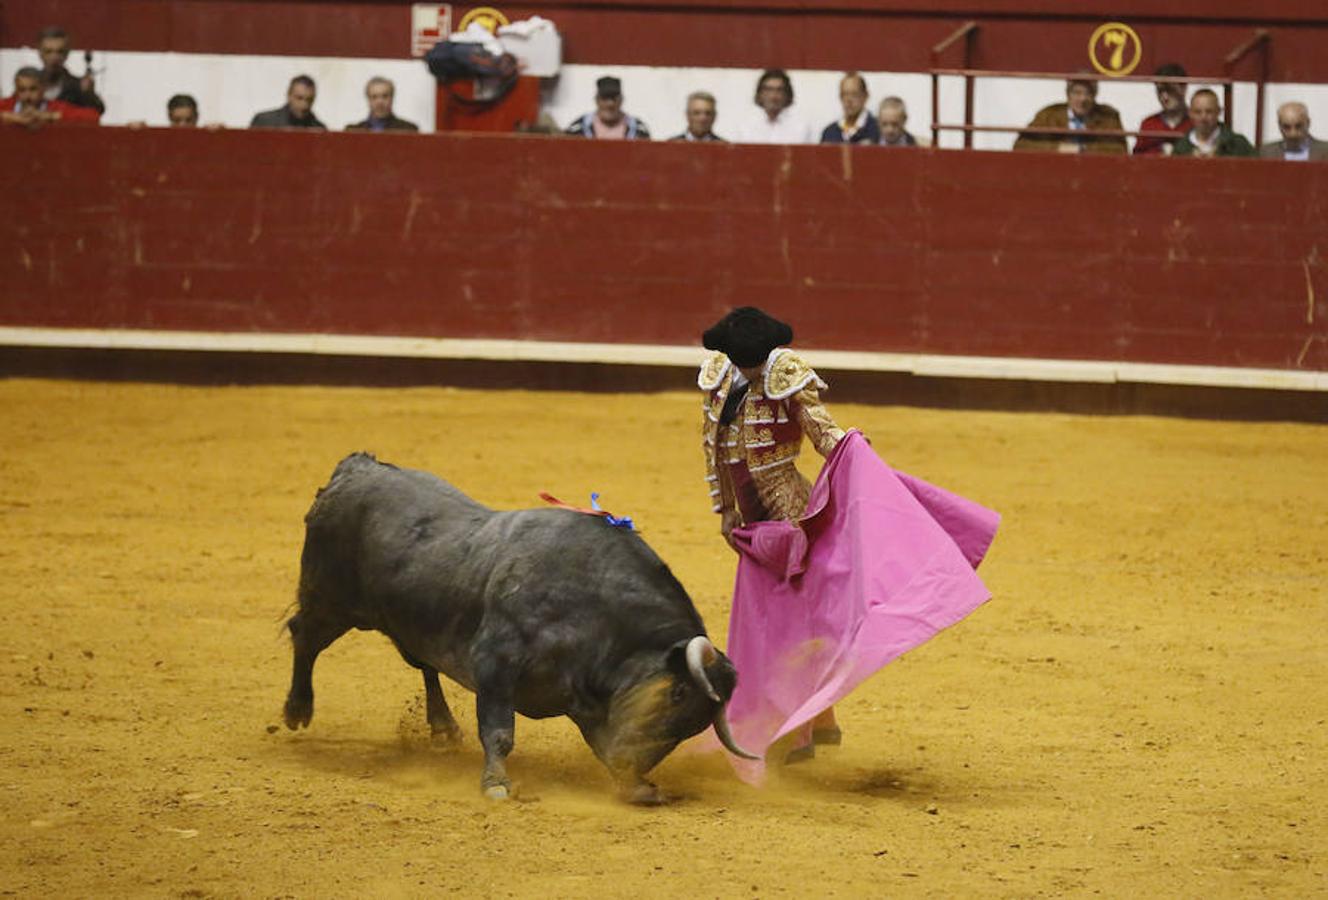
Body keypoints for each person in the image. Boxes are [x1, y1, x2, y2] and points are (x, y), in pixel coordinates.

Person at [697, 307, 999, 780]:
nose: (754, 371)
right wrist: (728, 512)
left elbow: (821, 429)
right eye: (747, 363)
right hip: (749, 520)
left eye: (758, 363)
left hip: (788, 509)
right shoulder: (720, 376)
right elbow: (715, 449)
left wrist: (850, 451)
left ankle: (795, 731)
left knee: (795, 622)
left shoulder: (787, 376)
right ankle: (819, 724)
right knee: (767, 621)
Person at [1013, 77, 1126, 154]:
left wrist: (1083, 149)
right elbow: (1021, 145)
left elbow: (1121, 150)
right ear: (1068, 94)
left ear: (1095, 95)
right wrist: (1059, 148)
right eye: (1077, 93)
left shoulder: (1108, 116)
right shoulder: (1049, 114)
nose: (1082, 99)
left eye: (1088, 93)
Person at [1, 66, 100, 129]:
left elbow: (93, 116)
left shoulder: (55, 107)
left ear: (43, 89)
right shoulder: (7, 105)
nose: (27, 96)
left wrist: (50, 116)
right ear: (16, 90)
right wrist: (11, 117)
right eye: (22, 90)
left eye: (33, 89)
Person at [733, 68, 815, 144]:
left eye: (779, 90)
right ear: (760, 94)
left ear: (787, 94)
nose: (773, 96)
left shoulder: (801, 127)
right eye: (768, 90)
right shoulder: (745, 127)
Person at [35, 25, 104, 115]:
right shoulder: (31, 83)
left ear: (67, 54)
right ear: (40, 53)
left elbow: (97, 112)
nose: (54, 57)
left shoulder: (78, 86)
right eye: (48, 51)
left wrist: (89, 95)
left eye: (60, 52)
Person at [1172, 90, 1254, 158]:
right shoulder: (1181, 148)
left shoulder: (1238, 144)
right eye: (1198, 112)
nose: (1203, 117)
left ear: (1219, 111)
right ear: (1190, 113)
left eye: (1209, 111)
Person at [564, 76, 651, 140]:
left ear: (621, 100)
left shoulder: (638, 129)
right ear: (597, 100)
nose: (610, 104)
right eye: (605, 98)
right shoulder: (577, 129)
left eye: (614, 98)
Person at [1133, 63, 1191, 156]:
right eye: (1160, 91)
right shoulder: (1148, 124)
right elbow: (1136, 159)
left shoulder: (1197, 122)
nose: (1165, 97)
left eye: (1170, 90)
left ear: (1183, 88)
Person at [820, 72, 879, 144]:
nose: (849, 100)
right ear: (840, 97)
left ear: (865, 96)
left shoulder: (877, 129)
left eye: (854, 94)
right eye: (845, 94)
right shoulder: (829, 132)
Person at [250, 75, 326, 129]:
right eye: (299, 98)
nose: (304, 105)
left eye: (309, 100)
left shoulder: (319, 129)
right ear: (289, 95)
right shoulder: (265, 122)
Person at [1259, 102, 1328, 162]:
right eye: (1286, 127)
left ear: (1308, 123)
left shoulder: (1325, 151)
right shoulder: (1267, 153)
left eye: (1298, 126)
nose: (1293, 133)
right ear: (1279, 126)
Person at [345, 77, 418, 132]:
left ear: (392, 98)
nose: (380, 102)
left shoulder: (408, 130)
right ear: (368, 100)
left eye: (385, 96)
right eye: (374, 97)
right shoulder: (353, 131)